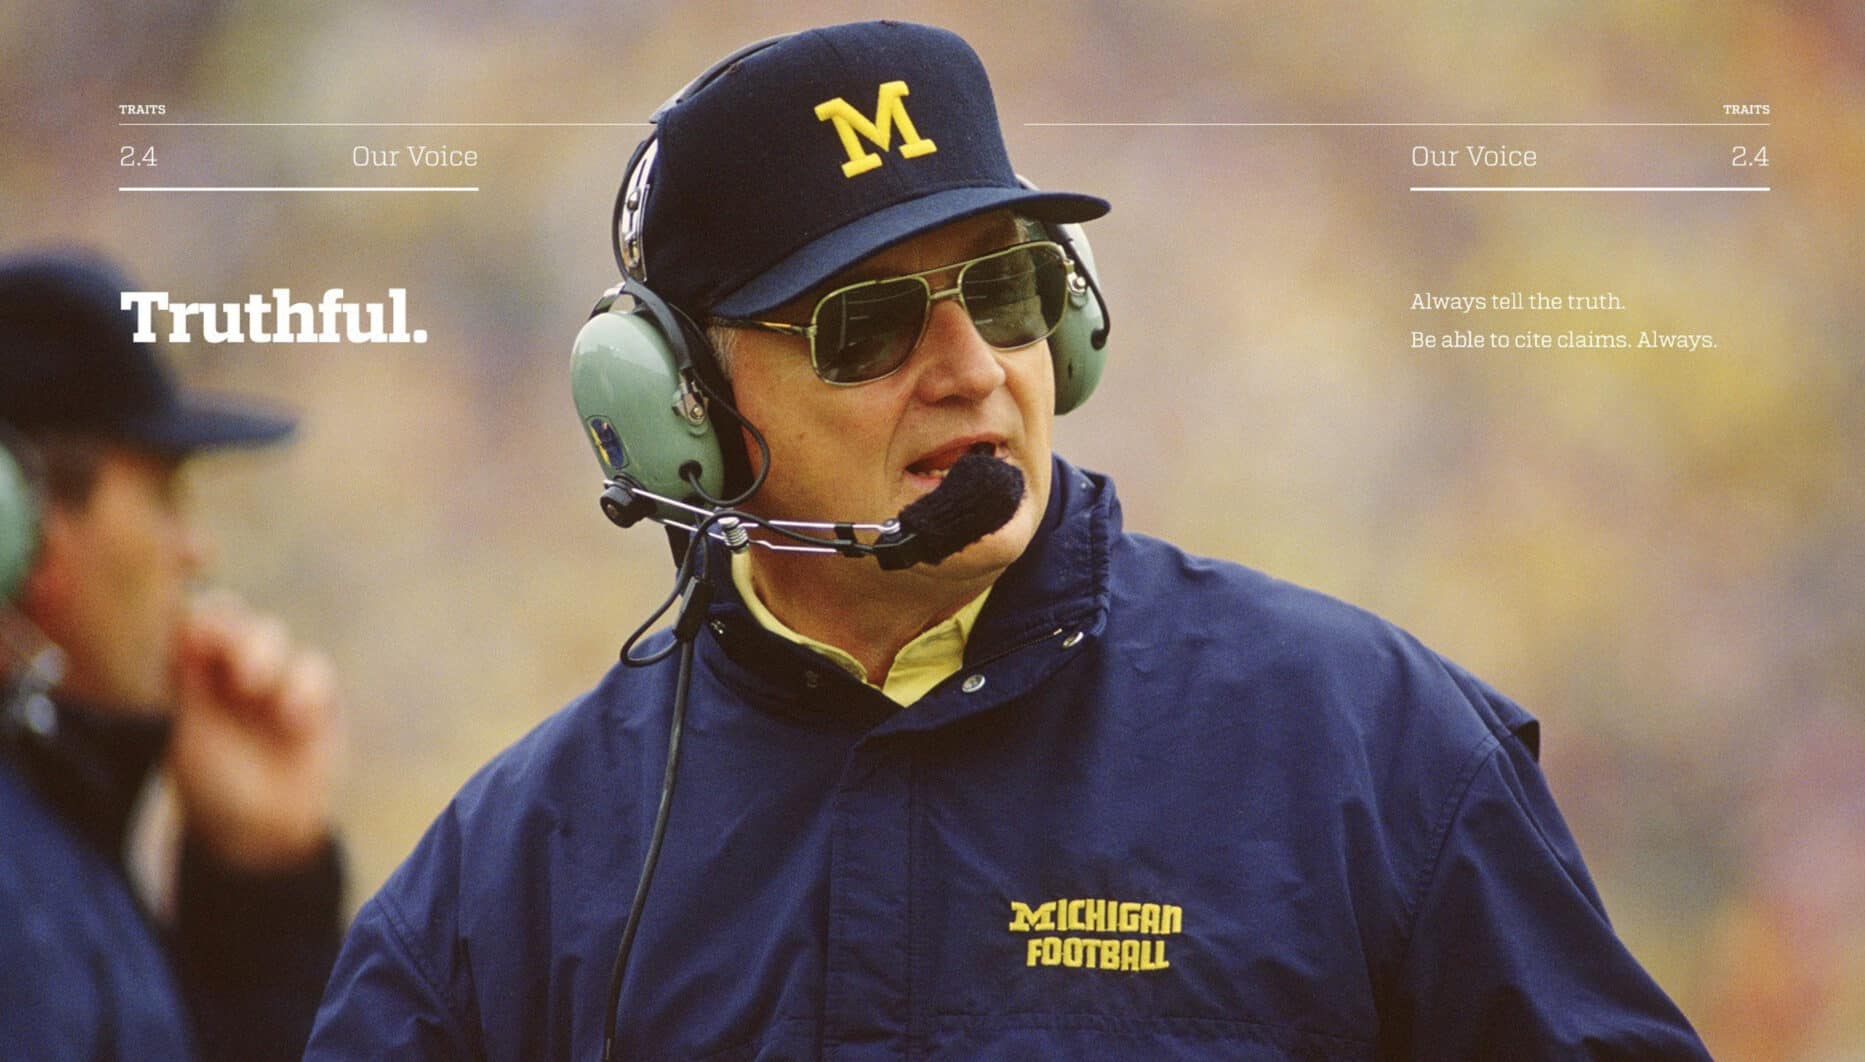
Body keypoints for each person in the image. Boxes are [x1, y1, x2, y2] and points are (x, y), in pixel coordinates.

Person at [308, 21, 1709, 1059]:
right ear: (681, 409)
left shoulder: (1374, 746)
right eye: (865, 325)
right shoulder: (511, 881)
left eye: (1010, 288)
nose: (974, 367)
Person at [0, 252, 346, 1061]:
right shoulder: (18, 901)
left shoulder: (51, 851)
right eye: (163, 494)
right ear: (21, 520)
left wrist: (257, 886)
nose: (193, 550)